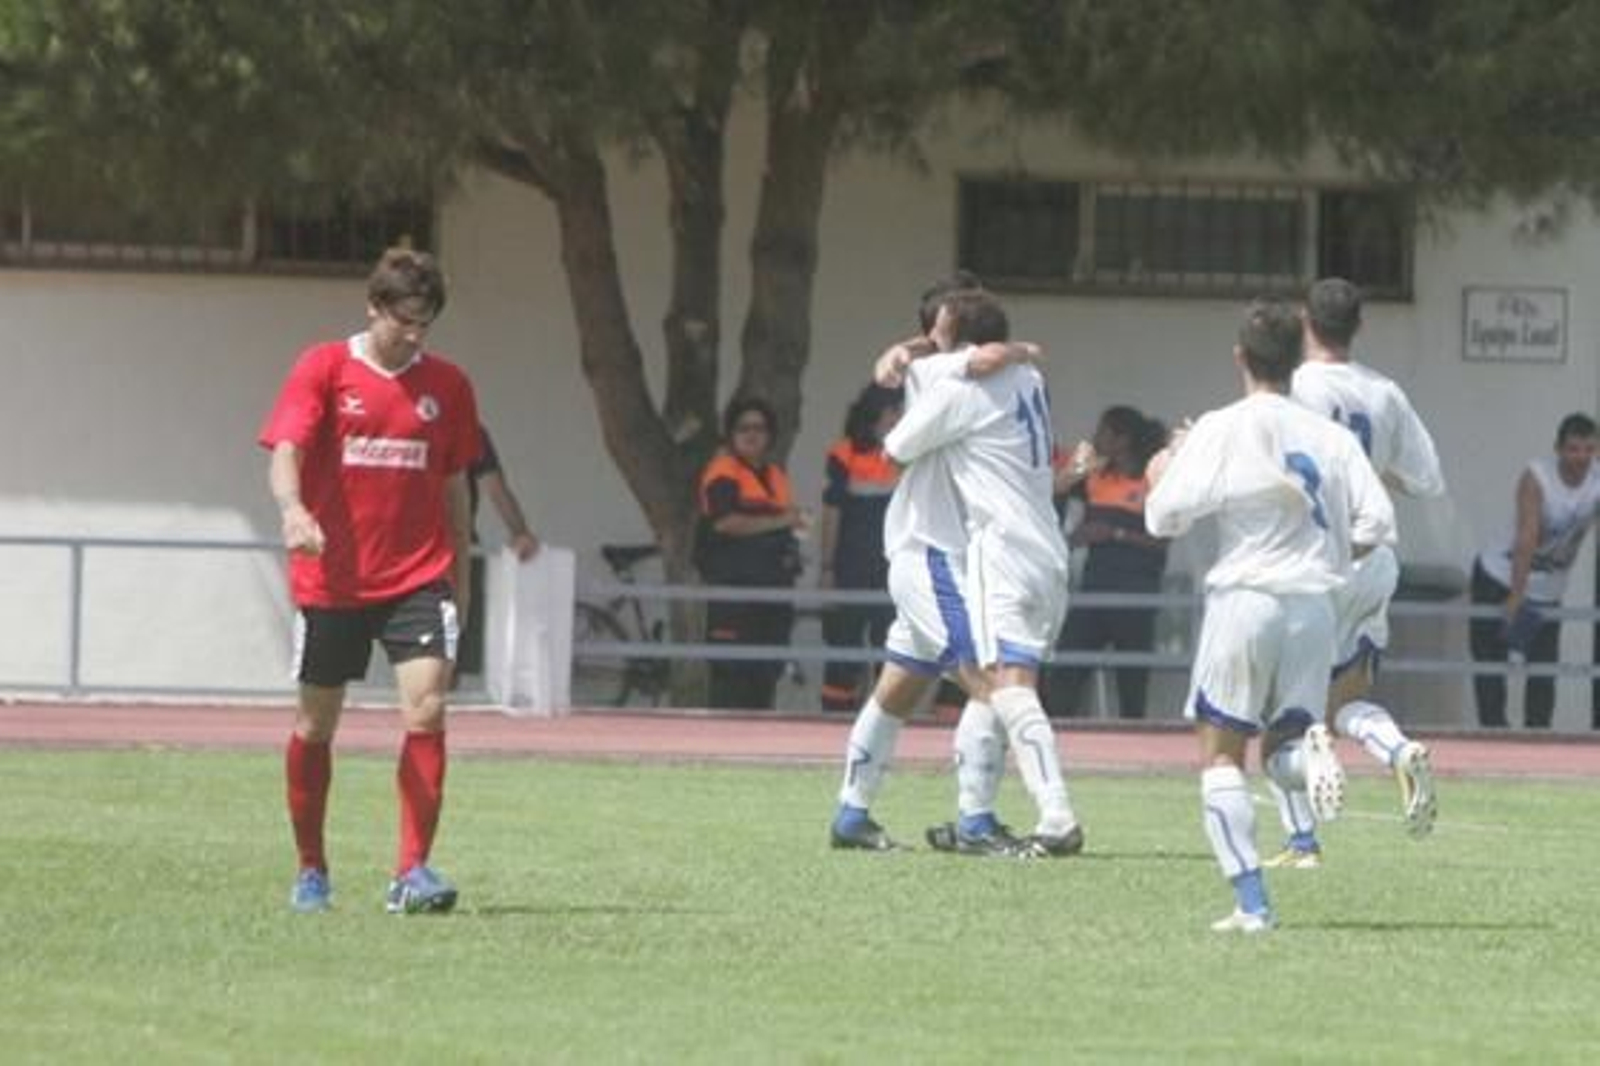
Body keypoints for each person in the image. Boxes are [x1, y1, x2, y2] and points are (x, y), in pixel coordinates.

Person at [1144, 297, 1395, 933]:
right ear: (1296, 356)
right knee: (1283, 741)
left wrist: (1169, 465)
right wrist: (1328, 550)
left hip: (1246, 600)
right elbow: (1379, 522)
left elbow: (1162, 516)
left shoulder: (1223, 427)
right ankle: (1312, 758)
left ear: (1240, 358)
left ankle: (1252, 904)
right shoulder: (1331, 436)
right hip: (1313, 607)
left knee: (1221, 753)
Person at [259, 247, 481, 915]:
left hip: (419, 577)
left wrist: (460, 577)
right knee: (315, 725)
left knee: (428, 708)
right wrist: (294, 510)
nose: (414, 336)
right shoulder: (324, 367)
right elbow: (287, 450)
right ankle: (311, 870)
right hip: (334, 578)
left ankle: (411, 873)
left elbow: (456, 488)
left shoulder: (450, 387)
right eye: (404, 321)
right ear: (374, 307)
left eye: (425, 324)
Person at [830, 285, 1083, 858]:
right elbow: (932, 382)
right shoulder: (1008, 379)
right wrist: (998, 350)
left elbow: (913, 389)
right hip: (933, 553)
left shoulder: (946, 379)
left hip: (952, 552)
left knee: (899, 687)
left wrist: (930, 352)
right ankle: (979, 821)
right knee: (990, 683)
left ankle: (852, 814)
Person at [1263, 277, 1447, 868]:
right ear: (1358, 326)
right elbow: (1426, 479)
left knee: (1284, 710)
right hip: (1373, 560)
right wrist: (1371, 470)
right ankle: (1395, 749)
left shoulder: (1291, 387)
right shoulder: (1385, 392)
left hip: (1311, 562)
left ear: (1304, 321)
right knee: (1348, 699)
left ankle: (1301, 843)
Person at [1469, 412, 1600, 728]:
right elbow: (1527, 537)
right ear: (1558, 449)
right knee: (1491, 667)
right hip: (1500, 577)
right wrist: (1516, 596)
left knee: (1542, 672)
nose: (1580, 457)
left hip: (1547, 591)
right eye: (1573, 449)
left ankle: (1537, 740)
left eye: (1588, 449)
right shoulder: (1538, 477)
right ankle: (1493, 737)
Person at [1045, 406, 1170, 719]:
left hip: (1138, 595)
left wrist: (1115, 533)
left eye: (1103, 432)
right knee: (1065, 675)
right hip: (1093, 591)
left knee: (1132, 686)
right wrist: (1073, 471)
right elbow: (1051, 499)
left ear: (1122, 440)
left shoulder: (1152, 480)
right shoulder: (1094, 478)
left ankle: (1138, 757)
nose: (1096, 438)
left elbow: (1162, 543)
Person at [694, 397, 807, 710]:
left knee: (766, 675)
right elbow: (725, 523)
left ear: (770, 435)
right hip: (734, 592)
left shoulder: (776, 476)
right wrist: (782, 520)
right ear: (731, 434)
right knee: (731, 679)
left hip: (773, 592)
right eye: (743, 428)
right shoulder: (723, 471)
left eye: (759, 428)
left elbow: (784, 524)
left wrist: (793, 529)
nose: (751, 434)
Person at [818, 384, 903, 713]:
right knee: (842, 656)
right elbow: (831, 512)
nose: (899, 417)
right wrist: (826, 568)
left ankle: (884, 729)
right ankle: (833, 728)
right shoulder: (845, 453)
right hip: (850, 568)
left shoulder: (910, 453)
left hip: (894, 571)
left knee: (893, 656)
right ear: (875, 412)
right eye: (893, 410)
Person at [456, 424, 541, 678]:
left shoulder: (470, 432)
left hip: (457, 550)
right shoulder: (469, 431)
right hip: (449, 551)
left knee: (440, 655)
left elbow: (494, 487)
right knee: (438, 656)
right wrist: (520, 531)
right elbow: (495, 487)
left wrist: (521, 533)